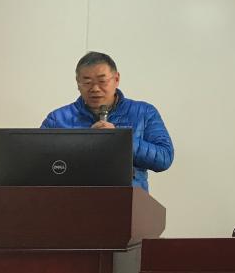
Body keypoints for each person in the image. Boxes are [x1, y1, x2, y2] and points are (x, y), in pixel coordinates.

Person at [41, 51, 174, 191]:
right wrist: (82, 145)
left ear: (116, 79)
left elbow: (164, 158)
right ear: (78, 83)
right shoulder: (57, 119)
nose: (95, 89)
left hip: (129, 200)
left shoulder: (143, 112)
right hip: (73, 198)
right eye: (87, 82)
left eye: (102, 81)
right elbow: (38, 162)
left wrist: (121, 140)